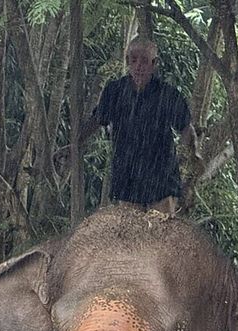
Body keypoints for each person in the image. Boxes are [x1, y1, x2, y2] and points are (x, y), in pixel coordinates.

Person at [61, 35, 199, 214]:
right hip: (128, 177)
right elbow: (97, 120)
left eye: (144, 61)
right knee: (130, 236)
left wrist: (194, 154)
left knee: (161, 234)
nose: (139, 66)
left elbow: (186, 128)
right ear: (127, 61)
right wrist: (75, 143)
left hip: (161, 178)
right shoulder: (115, 91)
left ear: (154, 63)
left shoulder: (168, 95)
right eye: (133, 60)